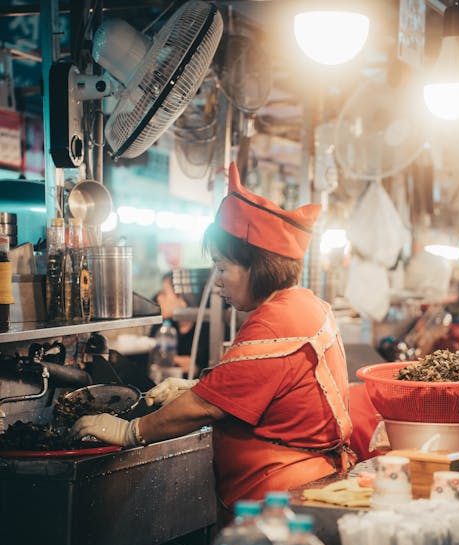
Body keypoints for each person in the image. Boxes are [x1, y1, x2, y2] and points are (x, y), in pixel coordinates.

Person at [71, 162, 354, 515]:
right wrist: (196, 386)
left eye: (222, 268)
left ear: (259, 267)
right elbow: (263, 392)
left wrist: (132, 430)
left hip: (279, 498)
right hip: (295, 483)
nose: (217, 281)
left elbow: (207, 407)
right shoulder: (304, 305)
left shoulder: (276, 321)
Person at [150, 271, 210, 376]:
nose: (158, 298)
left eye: (164, 293)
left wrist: (196, 369)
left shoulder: (210, 330)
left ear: (183, 300)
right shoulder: (161, 326)